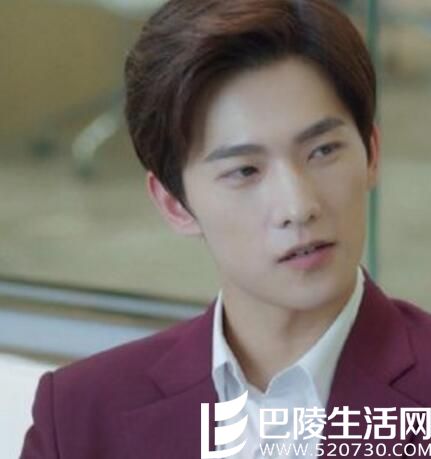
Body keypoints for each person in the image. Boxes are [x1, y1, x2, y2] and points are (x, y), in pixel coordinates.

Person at [20, 1, 431, 458]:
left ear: (371, 152)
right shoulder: (80, 418)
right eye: (245, 171)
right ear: (174, 204)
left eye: (323, 151)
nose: (298, 207)